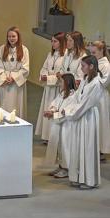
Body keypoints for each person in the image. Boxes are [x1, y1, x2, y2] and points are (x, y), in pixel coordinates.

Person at [64, 55, 103, 189]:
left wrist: (69, 112)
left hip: (88, 117)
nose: (81, 69)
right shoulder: (86, 79)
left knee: (88, 148)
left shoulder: (96, 83)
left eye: (83, 66)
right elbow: (76, 97)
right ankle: (78, 176)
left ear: (91, 66)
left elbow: (86, 104)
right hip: (79, 116)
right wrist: (67, 107)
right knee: (78, 146)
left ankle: (89, 180)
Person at [43, 73, 76, 178]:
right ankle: (61, 166)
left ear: (67, 83)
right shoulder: (61, 94)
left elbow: (67, 112)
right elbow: (54, 104)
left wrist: (53, 114)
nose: (59, 83)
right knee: (59, 147)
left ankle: (67, 168)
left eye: (61, 82)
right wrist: (51, 110)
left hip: (66, 126)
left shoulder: (73, 96)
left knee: (65, 147)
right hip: (58, 125)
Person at [35, 32, 66, 143]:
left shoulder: (66, 56)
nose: (52, 43)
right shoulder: (50, 54)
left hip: (57, 88)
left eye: (55, 41)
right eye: (51, 41)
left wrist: (48, 78)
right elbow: (44, 67)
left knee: (54, 110)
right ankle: (47, 136)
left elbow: (63, 73)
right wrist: (43, 75)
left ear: (62, 42)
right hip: (48, 88)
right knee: (48, 109)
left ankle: (54, 137)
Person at [0, 26, 29, 118]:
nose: (11, 39)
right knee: (4, 105)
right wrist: (5, 78)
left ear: (18, 37)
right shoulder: (2, 49)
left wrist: (13, 77)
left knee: (16, 106)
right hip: (5, 82)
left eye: (13, 36)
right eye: (9, 36)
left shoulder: (24, 50)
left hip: (17, 84)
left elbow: (25, 69)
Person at [90, 41, 110, 160]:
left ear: (102, 51)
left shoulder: (106, 65)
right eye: (90, 52)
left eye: (94, 52)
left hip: (100, 97)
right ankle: (92, 146)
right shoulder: (94, 62)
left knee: (100, 122)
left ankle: (100, 149)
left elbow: (104, 82)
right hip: (92, 95)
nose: (92, 55)